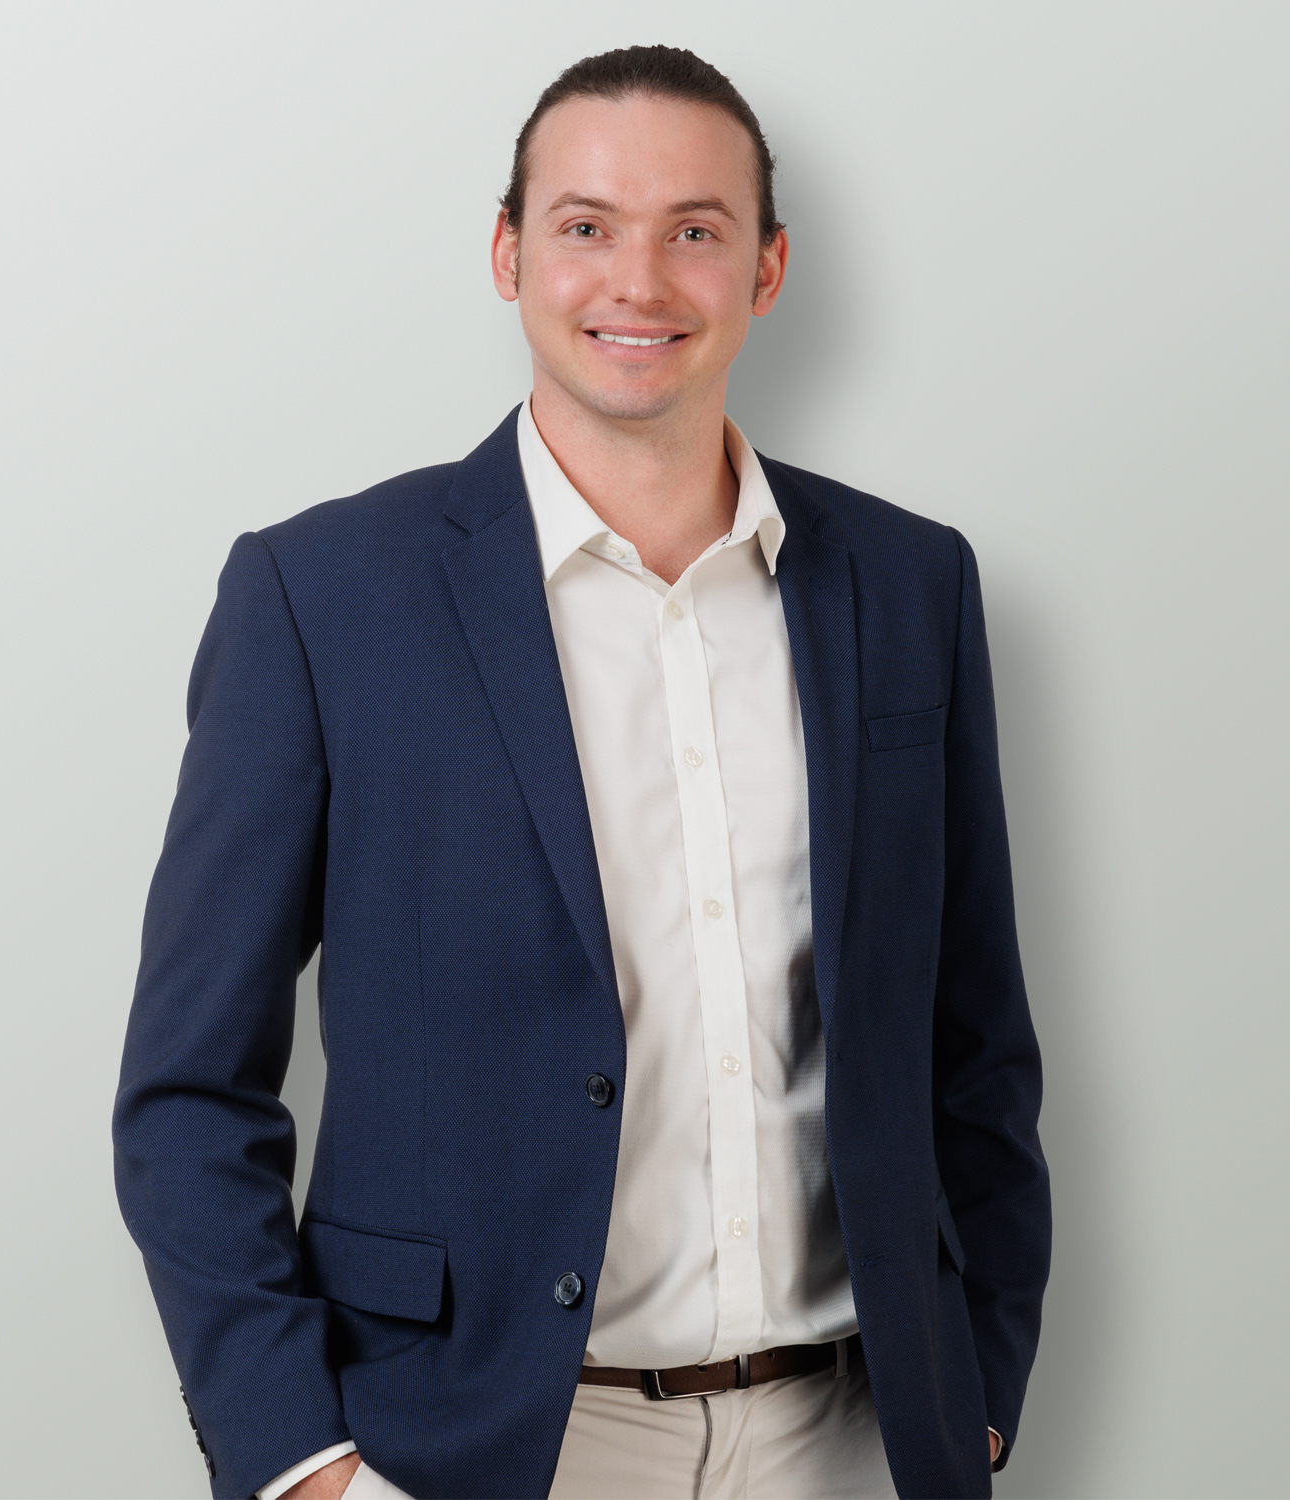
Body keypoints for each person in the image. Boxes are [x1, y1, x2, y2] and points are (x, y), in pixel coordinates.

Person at [113, 44, 1051, 1500]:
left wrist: (974, 1392)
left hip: (859, 1437)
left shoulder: (909, 584)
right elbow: (188, 1092)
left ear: (769, 268)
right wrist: (302, 1461)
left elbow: (974, 1036)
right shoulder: (324, 598)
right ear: (508, 254)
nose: (640, 280)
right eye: (587, 225)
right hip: (489, 1448)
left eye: (696, 229)